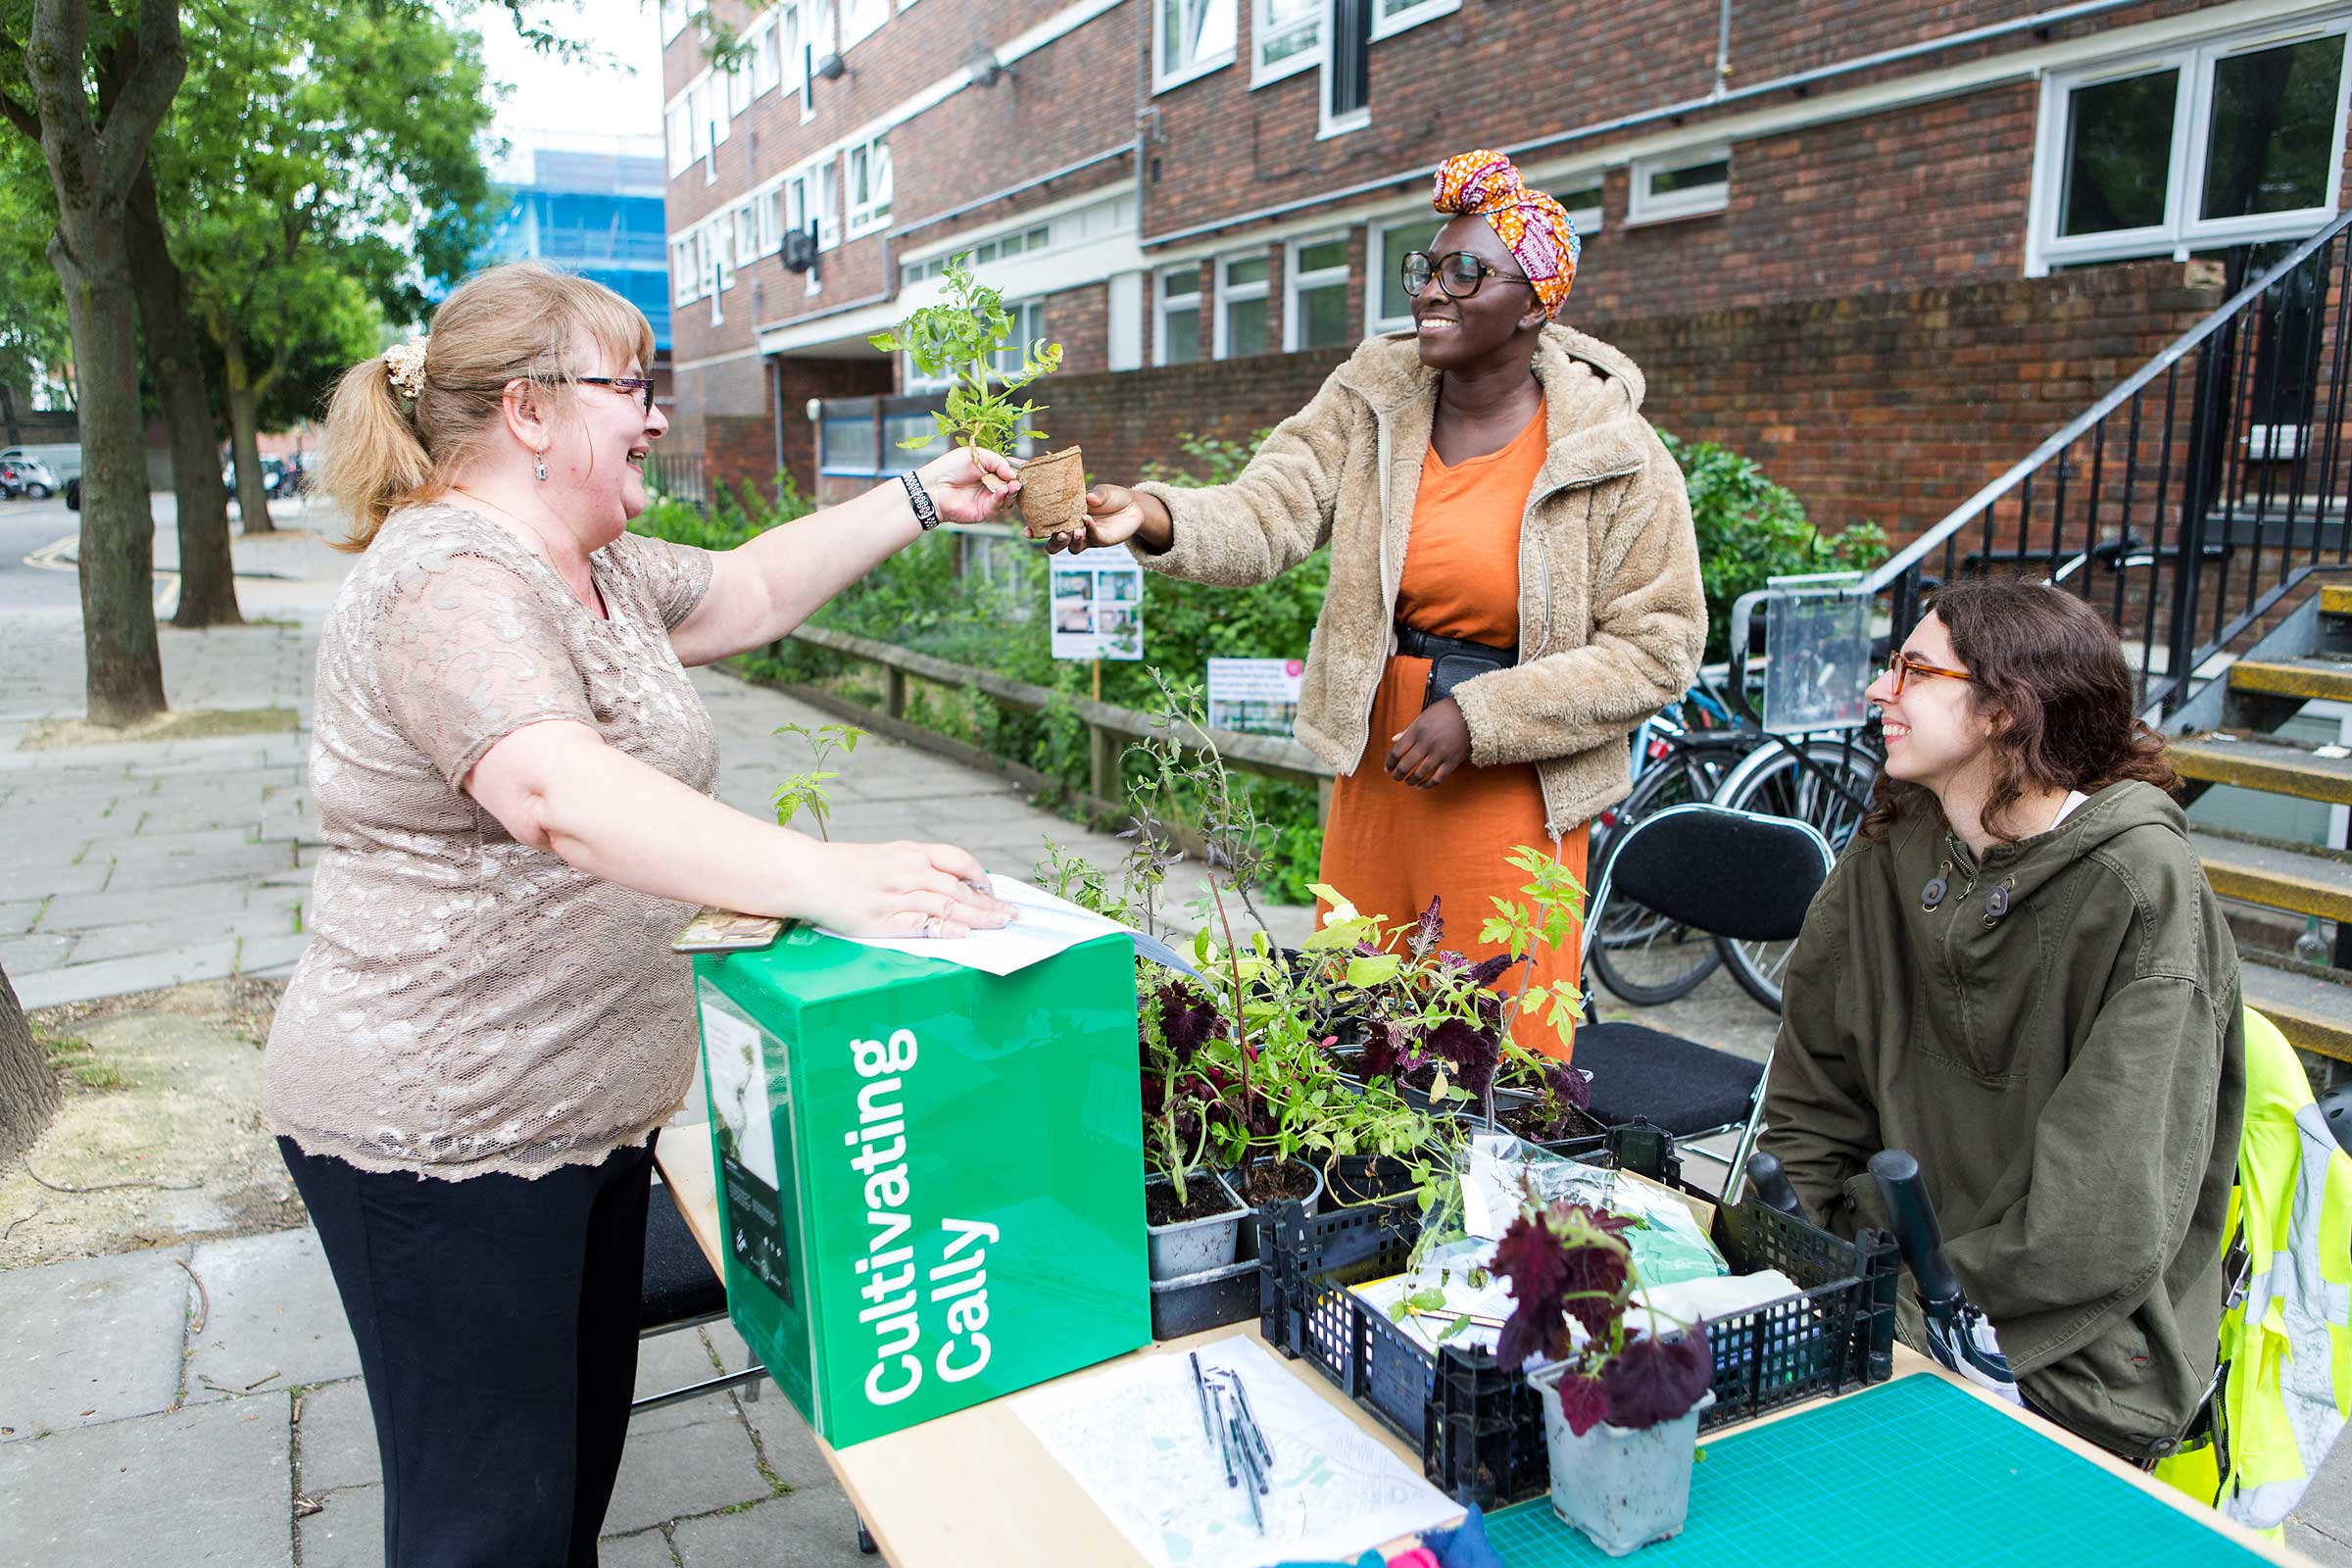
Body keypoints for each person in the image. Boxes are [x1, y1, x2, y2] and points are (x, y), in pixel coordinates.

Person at [266, 261, 1019, 1566]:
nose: (657, 415)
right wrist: (833, 878)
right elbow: (556, 792)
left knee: (558, 1501)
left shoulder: (592, 565)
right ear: (530, 410)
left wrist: (918, 497)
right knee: (487, 1531)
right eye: (631, 386)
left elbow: (752, 589)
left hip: (582, 1116)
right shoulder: (448, 576)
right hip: (445, 1134)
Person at [1049, 149, 1705, 1059]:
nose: (1432, 290)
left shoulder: (1615, 450)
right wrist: (1153, 516)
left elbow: (1659, 647)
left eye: (1465, 272)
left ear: (1535, 304)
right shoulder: (1371, 398)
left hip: (1516, 779)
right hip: (1380, 755)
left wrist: (1479, 718)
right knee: (1356, 1025)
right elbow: (1270, 510)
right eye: (1427, 269)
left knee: (1488, 1046)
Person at [1760, 580, 2247, 1461]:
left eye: (1913, 670)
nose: (1878, 690)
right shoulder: (1892, 843)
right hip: (1879, 1295)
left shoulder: (2142, 891)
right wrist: (1802, 1261)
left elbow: (2094, 1224)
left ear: (2004, 710)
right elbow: (1810, 1097)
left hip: (2065, 1355)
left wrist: (1892, 1312)